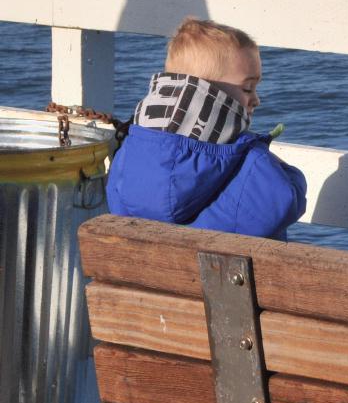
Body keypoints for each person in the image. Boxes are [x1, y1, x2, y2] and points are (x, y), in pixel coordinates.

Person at [106, 17, 306, 240]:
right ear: (208, 95)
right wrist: (266, 156)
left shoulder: (127, 156)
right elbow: (286, 198)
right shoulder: (253, 165)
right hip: (230, 275)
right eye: (248, 88)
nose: (256, 99)